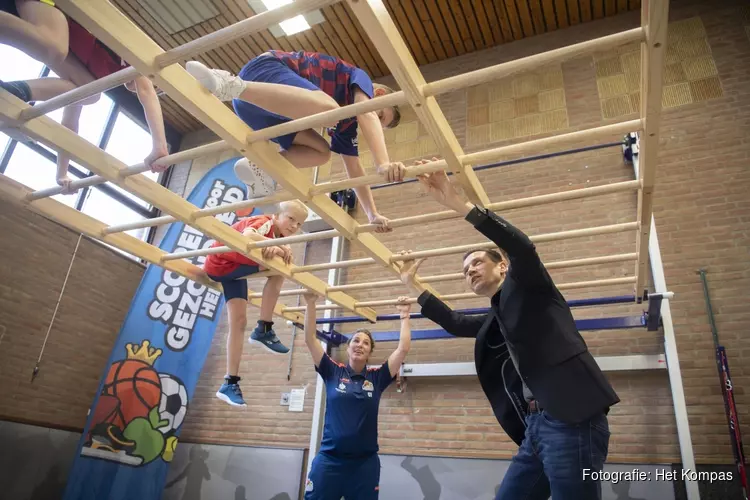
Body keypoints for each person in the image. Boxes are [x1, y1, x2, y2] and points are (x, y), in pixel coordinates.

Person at [399, 159, 619, 500]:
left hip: (571, 419)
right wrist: (414, 286)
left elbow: (522, 247)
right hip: (536, 428)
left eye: (476, 263)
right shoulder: (495, 316)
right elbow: (456, 322)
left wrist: (459, 204)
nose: (469, 271)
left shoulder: (529, 285)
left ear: (502, 266)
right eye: (464, 270)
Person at [185, 50, 407, 233]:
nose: (374, 122)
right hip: (262, 74)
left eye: (380, 123)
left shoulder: (347, 125)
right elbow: (367, 113)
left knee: (321, 152)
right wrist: (383, 163)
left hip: (260, 112)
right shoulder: (359, 78)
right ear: (376, 93)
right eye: (380, 117)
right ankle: (229, 84)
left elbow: (354, 168)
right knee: (330, 110)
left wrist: (372, 214)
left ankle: (262, 166)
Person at [0, 8, 169, 192]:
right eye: (153, 83)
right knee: (91, 93)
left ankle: (13, 91)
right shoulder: (129, 59)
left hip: (59, 35)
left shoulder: (99, 77)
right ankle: (16, 91)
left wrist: (61, 173)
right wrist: (159, 146)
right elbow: (147, 93)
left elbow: (70, 122)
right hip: (56, 19)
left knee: (87, 94)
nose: (142, 88)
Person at [302, 292, 412, 499]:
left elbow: (403, 348)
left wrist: (405, 315)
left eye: (366, 343)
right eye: (356, 340)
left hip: (364, 465)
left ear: (370, 352)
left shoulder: (378, 377)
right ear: (348, 346)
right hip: (329, 461)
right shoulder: (332, 370)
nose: (360, 345)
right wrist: (310, 303)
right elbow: (310, 339)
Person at [203, 200, 309, 407]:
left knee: (239, 323)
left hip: (232, 272)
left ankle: (229, 382)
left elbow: (264, 244)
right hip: (220, 264)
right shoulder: (265, 222)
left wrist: (277, 246)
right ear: (277, 216)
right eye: (291, 219)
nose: (294, 226)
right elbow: (249, 236)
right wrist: (276, 247)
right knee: (281, 268)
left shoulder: (277, 237)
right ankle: (264, 327)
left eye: (299, 224)